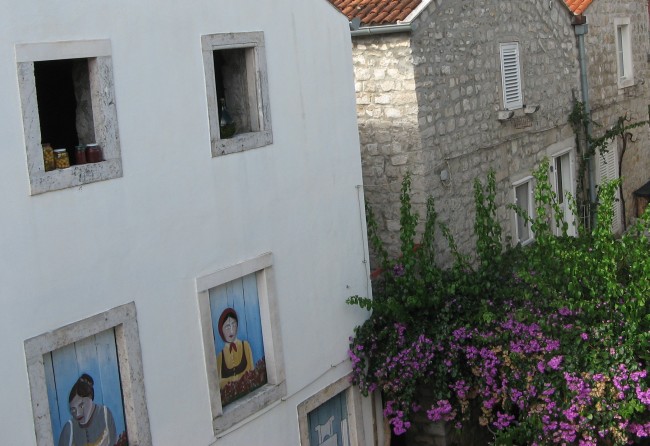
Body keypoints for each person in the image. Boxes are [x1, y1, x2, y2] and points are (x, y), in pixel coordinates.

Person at [58, 373, 117, 446]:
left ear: (90, 398)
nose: (77, 414)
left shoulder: (105, 415)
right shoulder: (69, 429)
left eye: (81, 406)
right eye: (73, 410)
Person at [216, 308, 254, 389]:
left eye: (234, 325)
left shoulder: (245, 346)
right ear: (221, 330)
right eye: (227, 327)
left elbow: (252, 371)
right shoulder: (220, 357)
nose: (232, 330)